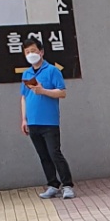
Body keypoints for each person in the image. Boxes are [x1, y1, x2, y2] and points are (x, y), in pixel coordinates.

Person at [20, 35, 73, 200]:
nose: (31, 54)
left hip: (49, 122)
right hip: (33, 122)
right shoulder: (27, 73)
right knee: (43, 155)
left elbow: (62, 92)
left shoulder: (52, 71)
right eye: (27, 52)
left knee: (54, 153)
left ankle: (67, 185)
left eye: (33, 51)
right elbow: (24, 97)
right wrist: (24, 119)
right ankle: (52, 184)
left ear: (41, 52)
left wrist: (43, 91)